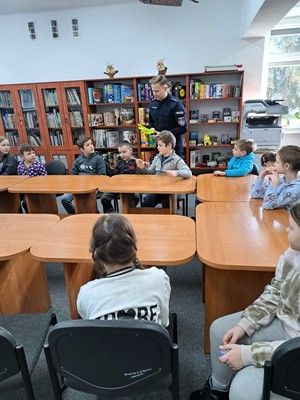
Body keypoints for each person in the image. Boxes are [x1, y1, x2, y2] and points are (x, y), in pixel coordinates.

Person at [190, 202, 300, 400]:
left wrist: (249, 354)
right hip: (286, 326)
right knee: (219, 330)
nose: (286, 229)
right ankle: (218, 390)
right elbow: (275, 292)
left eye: (291, 228)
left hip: (295, 351)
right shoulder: (293, 254)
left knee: (243, 389)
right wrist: (246, 323)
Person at [77, 214, 171, 327]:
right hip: (150, 343)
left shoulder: (86, 293)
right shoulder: (158, 278)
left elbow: (89, 324)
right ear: (133, 244)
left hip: (104, 344)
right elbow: (164, 323)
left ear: (96, 253)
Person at [136, 130, 192, 208]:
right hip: (157, 189)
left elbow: (188, 173)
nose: (158, 147)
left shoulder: (177, 160)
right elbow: (150, 173)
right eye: (157, 145)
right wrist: (143, 168)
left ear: (169, 145)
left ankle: (168, 218)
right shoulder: (157, 157)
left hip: (170, 191)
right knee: (145, 205)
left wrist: (176, 173)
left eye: (160, 145)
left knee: (167, 206)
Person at [61, 136, 106, 214]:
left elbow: (102, 176)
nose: (91, 146)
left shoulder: (98, 159)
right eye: (87, 145)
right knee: (64, 199)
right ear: (82, 150)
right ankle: (75, 214)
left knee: (86, 201)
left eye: (91, 144)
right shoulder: (78, 161)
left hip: (92, 186)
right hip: (79, 185)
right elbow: (73, 176)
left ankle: (95, 214)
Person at [251, 145, 300, 210]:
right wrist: (261, 176)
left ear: (287, 166)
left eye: (277, 162)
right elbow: (255, 194)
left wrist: (274, 183)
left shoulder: (295, 189)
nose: (274, 164)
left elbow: (267, 205)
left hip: (285, 219)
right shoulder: (281, 180)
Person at [148, 75, 188, 156]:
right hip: (159, 147)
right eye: (153, 91)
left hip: (173, 148)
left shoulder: (176, 104)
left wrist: (164, 135)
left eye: (157, 91)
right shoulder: (153, 104)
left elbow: (183, 128)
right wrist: (151, 129)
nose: (154, 94)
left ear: (166, 88)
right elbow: (151, 122)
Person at [101, 141, 139, 213]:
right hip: (118, 186)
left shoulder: (136, 162)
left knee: (135, 197)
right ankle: (112, 214)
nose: (122, 155)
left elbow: (138, 177)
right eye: (120, 152)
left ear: (131, 150)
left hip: (131, 187)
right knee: (104, 198)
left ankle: (130, 211)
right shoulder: (119, 162)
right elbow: (114, 175)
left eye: (124, 152)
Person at [17, 143, 47, 212]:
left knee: (27, 202)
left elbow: (45, 178)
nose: (33, 155)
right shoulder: (20, 166)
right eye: (29, 154)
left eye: (33, 153)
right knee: (19, 200)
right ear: (22, 156)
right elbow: (20, 179)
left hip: (38, 189)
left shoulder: (39, 165)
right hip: (26, 189)